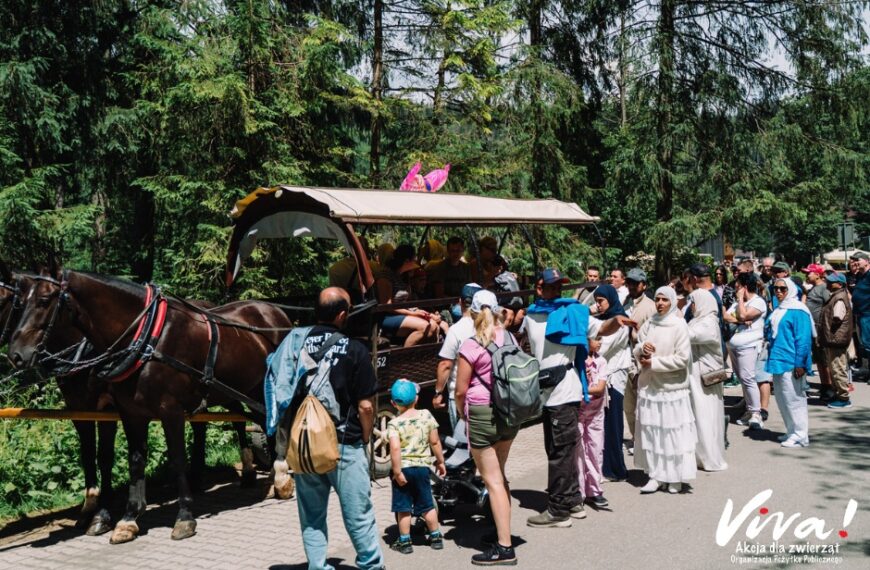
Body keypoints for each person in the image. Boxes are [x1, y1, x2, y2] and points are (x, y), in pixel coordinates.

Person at [523, 268, 632, 527]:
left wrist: (617, 320)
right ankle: (572, 501)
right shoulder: (534, 315)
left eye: (560, 286)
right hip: (549, 390)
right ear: (539, 288)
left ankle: (558, 510)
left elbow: (601, 328)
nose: (557, 291)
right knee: (563, 448)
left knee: (560, 451)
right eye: (551, 286)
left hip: (564, 391)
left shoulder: (572, 311)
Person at [293, 288, 383, 570]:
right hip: (345, 442)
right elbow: (366, 407)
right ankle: (370, 565)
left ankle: (318, 566)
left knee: (312, 513)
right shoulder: (355, 349)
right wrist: (367, 436)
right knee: (358, 513)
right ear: (342, 315)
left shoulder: (296, 345)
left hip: (305, 442)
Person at [455, 290, 518, 566]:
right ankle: (500, 530)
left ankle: (504, 548)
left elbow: (460, 390)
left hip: (482, 414)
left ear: (471, 311)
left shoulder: (470, 345)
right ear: (496, 310)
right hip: (510, 413)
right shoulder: (510, 337)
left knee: (492, 480)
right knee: (500, 477)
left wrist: (462, 413)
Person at [633, 286, 697, 495]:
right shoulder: (650, 323)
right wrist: (642, 350)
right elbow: (637, 346)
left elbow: (683, 358)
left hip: (672, 389)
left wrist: (655, 362)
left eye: (665, 300)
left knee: (673, 433)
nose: (660, 303)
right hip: (650, 387)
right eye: (658, 299)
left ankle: (675, 476)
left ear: (671, 302)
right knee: (653, 432)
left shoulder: (679, 325)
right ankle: (656, 475)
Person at [387, 379, 446, 554]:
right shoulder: (427, 415)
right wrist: (440, 461)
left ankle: (405, 542)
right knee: (427, 504)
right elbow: (434, 441)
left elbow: (395, 448)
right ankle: (435, 536)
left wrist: (397, 471)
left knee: (403, 507)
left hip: (403, 470)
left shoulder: (394, 424)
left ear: (393, 403)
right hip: (422, 469)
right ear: (416, 399)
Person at [767, 279, 814, 448]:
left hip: (792, 361)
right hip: (778, 359)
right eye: (775, 288)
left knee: (795, 399)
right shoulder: (780, 309)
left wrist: (800, 363)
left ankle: (801, 435)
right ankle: (791, 430)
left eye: (782, 288)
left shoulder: (798, 310)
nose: (778, 291)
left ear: (791, 290)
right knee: (782, 398)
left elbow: (803, 339)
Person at [686, 289, 728, 471]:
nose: (692, 306)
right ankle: (699, 456)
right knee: (698, 415)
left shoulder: (709, 322)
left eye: (693, 302)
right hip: (695, 375)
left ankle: (710, 457)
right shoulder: (698, 320)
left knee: (707, 416)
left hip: (705, 378)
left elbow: (690, 336)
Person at [593, 285, 631, 483]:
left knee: (613, 424)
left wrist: (591, 341)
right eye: (596, 300)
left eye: (601, 301)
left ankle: (615, 469)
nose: (597, 305)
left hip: (614, 379)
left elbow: (602, 348)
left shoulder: (620, 321)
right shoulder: (602, 320)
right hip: (603, 379)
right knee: (603, 425)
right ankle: (602, 466)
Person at [433, 283, 482, 428]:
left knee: (463, 443)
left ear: (460, 302)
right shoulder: (488, 328)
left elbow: (445, 365)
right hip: (484, 394)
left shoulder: (456, 330)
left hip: (460, 396)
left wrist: (438, 392)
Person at [724, 272, 769, 429]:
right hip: (733, 345)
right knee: (743, 378)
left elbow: (743, 315)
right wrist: (739, 318)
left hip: (749, 345)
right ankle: (749, 411)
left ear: (743, 286)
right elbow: (725, 316)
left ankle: (756, 413)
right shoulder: (739, 303)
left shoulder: (758, 302)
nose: (735, 287)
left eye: (737, 284)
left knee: (748, 377)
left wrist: (740, 305)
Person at [375, 245, 441, 346]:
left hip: (404, 313)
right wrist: (413, 314)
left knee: (434, 326)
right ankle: (405, 357)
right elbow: (387, 306)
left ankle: (424, 357)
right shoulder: (385, 275)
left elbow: (408, 302)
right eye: (414, 259)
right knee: (425, 327)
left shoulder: (404, 276)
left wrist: (420, 311)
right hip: (387, 316)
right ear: (406, 260)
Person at [622, 268, 657, 455]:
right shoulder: (626, 302)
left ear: (644, 285)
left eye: (635, 283)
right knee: (629, 405)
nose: (632, 286)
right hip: (624, 359)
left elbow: (650, 338)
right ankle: (636, 438)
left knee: (641, 405)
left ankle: (644, 441)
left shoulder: (650, 306)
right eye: (629, 282)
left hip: (639, 361)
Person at [575, 338, 609, 508]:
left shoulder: (601, 361)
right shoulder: (575, 360)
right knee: (579, 452)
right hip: (578, 411)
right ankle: (579, 492)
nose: (600, 342)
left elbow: (600, 388)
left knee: (595, 449)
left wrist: (580, 388)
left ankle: (594, 490)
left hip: (596, 411)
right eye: (596, 339)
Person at [819, 273, 853, 409]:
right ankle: (838, 394)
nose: (827, 283)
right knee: (835, 368)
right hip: (834, 339)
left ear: (839, 284)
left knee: (838, 368)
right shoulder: (837, 296)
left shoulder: (839, 298)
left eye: (831, 282)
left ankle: (843, 398)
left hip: (836, 339)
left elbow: (837, 317)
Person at [803, 263, 832, 397]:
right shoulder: (812, 288)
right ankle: (824, 385)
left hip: (820, 329)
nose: (807, 275)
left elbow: (830, 307)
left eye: (809, 273)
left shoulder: (823, 288)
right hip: (813, 329)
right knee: (819, 359)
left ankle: (830, 387)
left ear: (818, 274)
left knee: (825, 359)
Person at [427, 236, 472, 302]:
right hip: (446, 304)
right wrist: (457, 302)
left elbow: (469, 289)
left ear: (462, 251)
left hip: (463, 303)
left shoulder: (466, 268)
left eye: (458, 251)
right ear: (448, 251)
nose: (456, 254)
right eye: (453, 251)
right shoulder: (440, 268)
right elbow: (439, 294)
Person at [850, 252, 870, 380]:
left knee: (868, 344)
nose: (856, 263)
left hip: (867, 314)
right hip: (860, 314)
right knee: (864, 344)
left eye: (858, 260)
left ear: (867, 261)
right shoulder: (860, 276)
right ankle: (867, 370)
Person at [491, 255, 525, 328]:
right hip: (500, 305)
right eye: (496, 264)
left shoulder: (507, 275)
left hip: (514, 304)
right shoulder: (491, 278)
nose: (500, 267)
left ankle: (514, 335)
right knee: (509, 314)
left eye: (501, 264)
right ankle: (501, 335)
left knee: (521, 314)